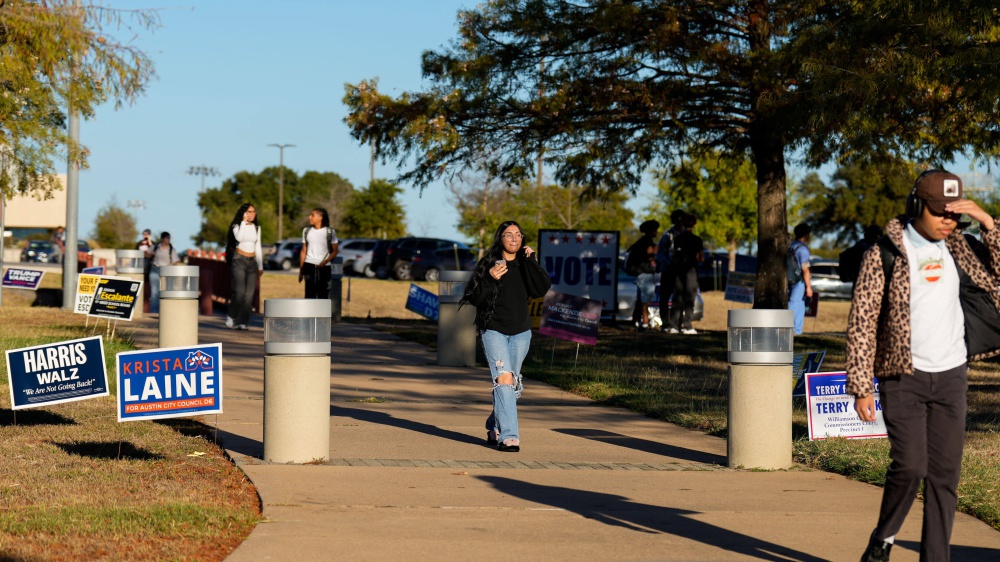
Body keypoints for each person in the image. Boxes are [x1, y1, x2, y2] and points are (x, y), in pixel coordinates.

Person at [849, 170, 1000, 562]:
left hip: (952, 375)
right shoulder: (884, 253)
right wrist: (861, 385)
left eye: (954, 214)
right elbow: (863, 322)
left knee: (945, 478)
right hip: (904, 377)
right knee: (911, 466)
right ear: (916, 206)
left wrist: (988, 224)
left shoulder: (962, 247)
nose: (948, 221)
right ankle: (884, 536)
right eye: (938, 213)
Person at [459, 221, 551, 453]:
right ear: (500, 238)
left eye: (518, 235)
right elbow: (473, 297)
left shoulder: (525, 264)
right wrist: (490, 278)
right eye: (508, 235)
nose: (514, 239)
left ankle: (493, 424)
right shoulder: (489, 264)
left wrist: (532, 262)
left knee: (512, 384)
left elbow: (540, 289)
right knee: (504, 380)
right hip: (494, 330)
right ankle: (509, 436)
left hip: (521, 332)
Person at [225, 203, 263, 330]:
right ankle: (231, 315)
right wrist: (243, 222)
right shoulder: (237, 225)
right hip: (239, 260)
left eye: (253, 212)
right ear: (243, 213)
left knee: (249, 294)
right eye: (249, 212)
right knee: (239, 292)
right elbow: (239, 238)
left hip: (252, 262)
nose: (252, 214)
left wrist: (260, 265)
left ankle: (242, 321)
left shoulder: (257, 227)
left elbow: (258, 246)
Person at [667, 213, 704, 334]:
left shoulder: (678, 239)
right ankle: (687, 325)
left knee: (677, 297)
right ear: (694, 225)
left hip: (678, 271)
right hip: (691, 271)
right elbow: (701, 258)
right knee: (689, 298)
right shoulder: (697, 240)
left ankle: (673, 325)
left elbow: (673, 254)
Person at [624, 219, 660, 330]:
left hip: (640, 274)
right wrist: (657, 250)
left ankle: (635, 320)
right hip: (646, 274)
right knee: (645, 300)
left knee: (640, 299)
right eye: (655, 230)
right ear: (651, 231)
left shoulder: (640, 241)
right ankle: (645, 323)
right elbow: (650, 254)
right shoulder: (647, 242)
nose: (657, 232)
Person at [298, 207, 339, 299]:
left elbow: (335, 250)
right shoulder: (306, 231)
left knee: (323, 294)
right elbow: (303, 251)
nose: (309, 217)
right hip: (309, 265)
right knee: (309, 294)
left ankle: (321, 313)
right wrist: (301, 270)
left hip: (324, 267)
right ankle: (309, 313)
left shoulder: (330, 232)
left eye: (312, 215)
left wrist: (325, 261)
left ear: (320, 217)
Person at [656, 210, 686, 328]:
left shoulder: (686, 235)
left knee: (679, 298)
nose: (679, 222)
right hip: (668, 271)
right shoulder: (667, 234)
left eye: (681, 220)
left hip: (680, 272)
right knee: (664, 297)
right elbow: (660, 253)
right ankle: (665, 323)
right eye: (676, 220)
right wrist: (667, 264)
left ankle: (678, 322)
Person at [787, 222, 813, 335]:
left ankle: (797, 330)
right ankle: (794, 331)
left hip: (789, 278)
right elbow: (805, 269)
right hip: (799, 281)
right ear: (806, 235)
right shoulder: (803, 250)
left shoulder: (791, 246)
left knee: (800, 305)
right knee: (795, 304)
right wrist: (809, 287)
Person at [146, 232, 181, 314]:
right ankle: (154, 312)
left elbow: (175, 261)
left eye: (169, 238)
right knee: (154, 292)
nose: (168, 240)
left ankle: (165, 312)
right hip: (155, 269)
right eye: (167, 238)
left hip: (166, 271)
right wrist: (151, 254)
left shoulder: (171, 249)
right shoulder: (155, 247)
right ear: (162, 239)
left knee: (165, 292)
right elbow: (147, 255)